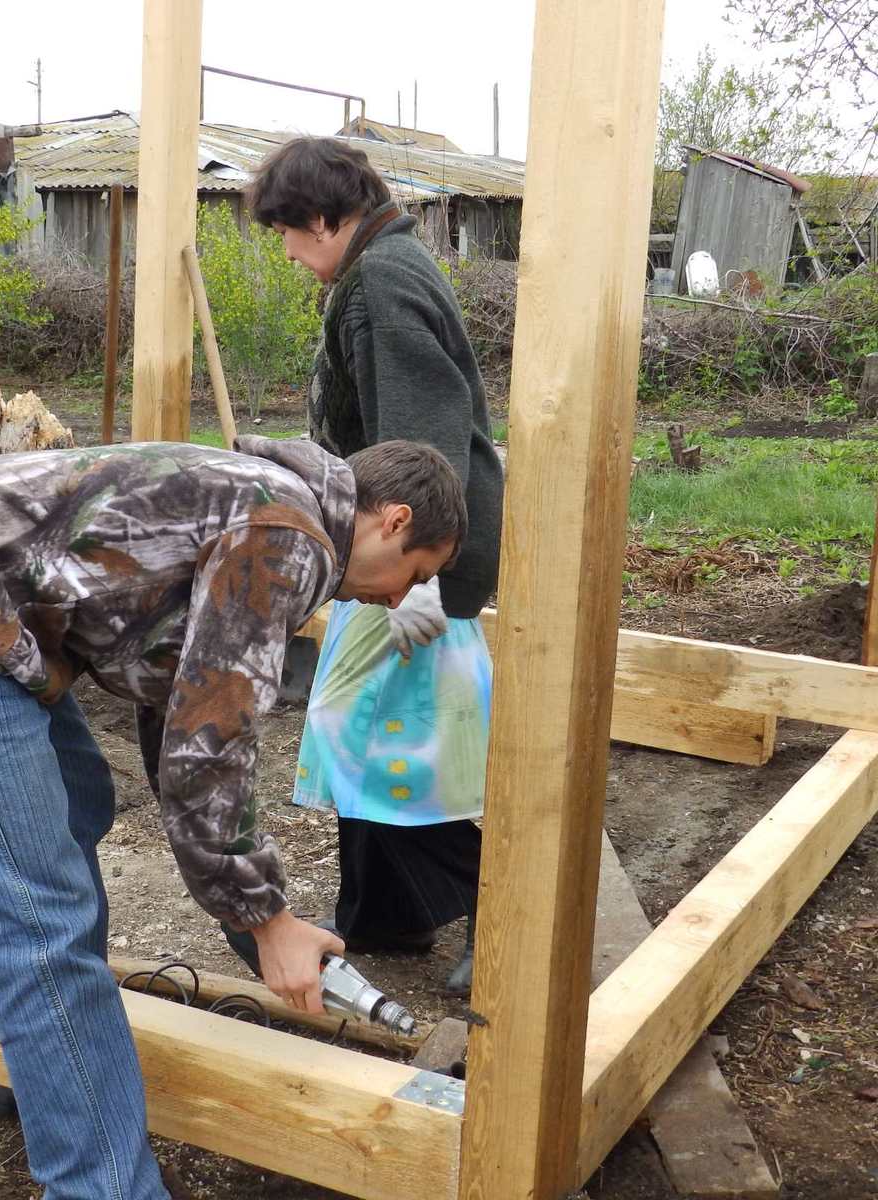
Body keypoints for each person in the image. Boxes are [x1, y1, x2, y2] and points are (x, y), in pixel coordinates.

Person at [0, 435, 466, 1200]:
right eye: (418, 573)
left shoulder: (275, 505)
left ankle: (48, 1075)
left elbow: (178, 711)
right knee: (36, 922)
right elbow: (210, 746)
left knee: (78, 800)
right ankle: (100, 1184)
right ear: (394, 522)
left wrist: (252, 915)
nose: (401, 597)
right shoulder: (287, 536)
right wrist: (267, 921)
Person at [247, 137, 504, 997]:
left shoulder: (386, 281)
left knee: (357, 734)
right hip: (390, 546)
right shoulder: (382, 267)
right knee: (375, 731)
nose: (286, 250)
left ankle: (498, 904)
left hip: (403, 552)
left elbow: (423, 444)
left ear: (325, 217)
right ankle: (385, 912)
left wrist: (418, 582)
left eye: (287, 229)